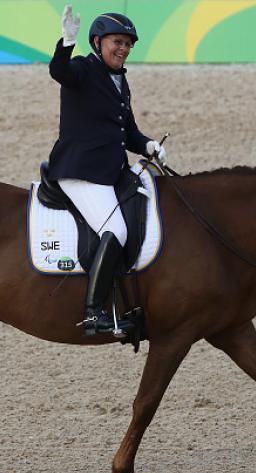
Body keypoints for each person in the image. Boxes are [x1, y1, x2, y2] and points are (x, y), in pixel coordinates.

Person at [47, 5, 166, 336]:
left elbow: (128, 132)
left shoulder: (121, 83)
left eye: (128, 44)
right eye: (117, 42)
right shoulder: (83, 69)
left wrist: (149, 145)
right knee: (116, 229)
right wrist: (67, 40)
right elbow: (60, 71)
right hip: (81, 172)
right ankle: (93, 313)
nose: (123, 49)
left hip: (111, 171)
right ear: (98, 42)